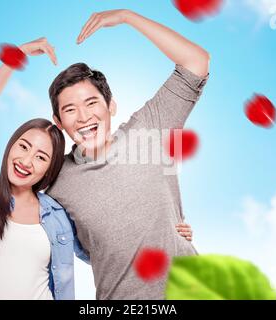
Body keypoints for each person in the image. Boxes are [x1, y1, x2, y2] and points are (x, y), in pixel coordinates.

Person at [47, 9, 209, 299]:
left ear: (111, 107)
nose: (83, 117)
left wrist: (127, 17)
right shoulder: (57, 182)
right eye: (70, 110)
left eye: (92, 103)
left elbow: (196, 62)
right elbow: (81, 246)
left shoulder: (150, 128)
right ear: (59, 123)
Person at [0, 38, 89, 300]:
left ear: (49, 170)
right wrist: (18, 55)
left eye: (40, 157)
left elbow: (99, 252)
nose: (26, 161)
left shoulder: (57, 215)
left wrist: (170, 230)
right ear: (11, 145)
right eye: (24, 147)